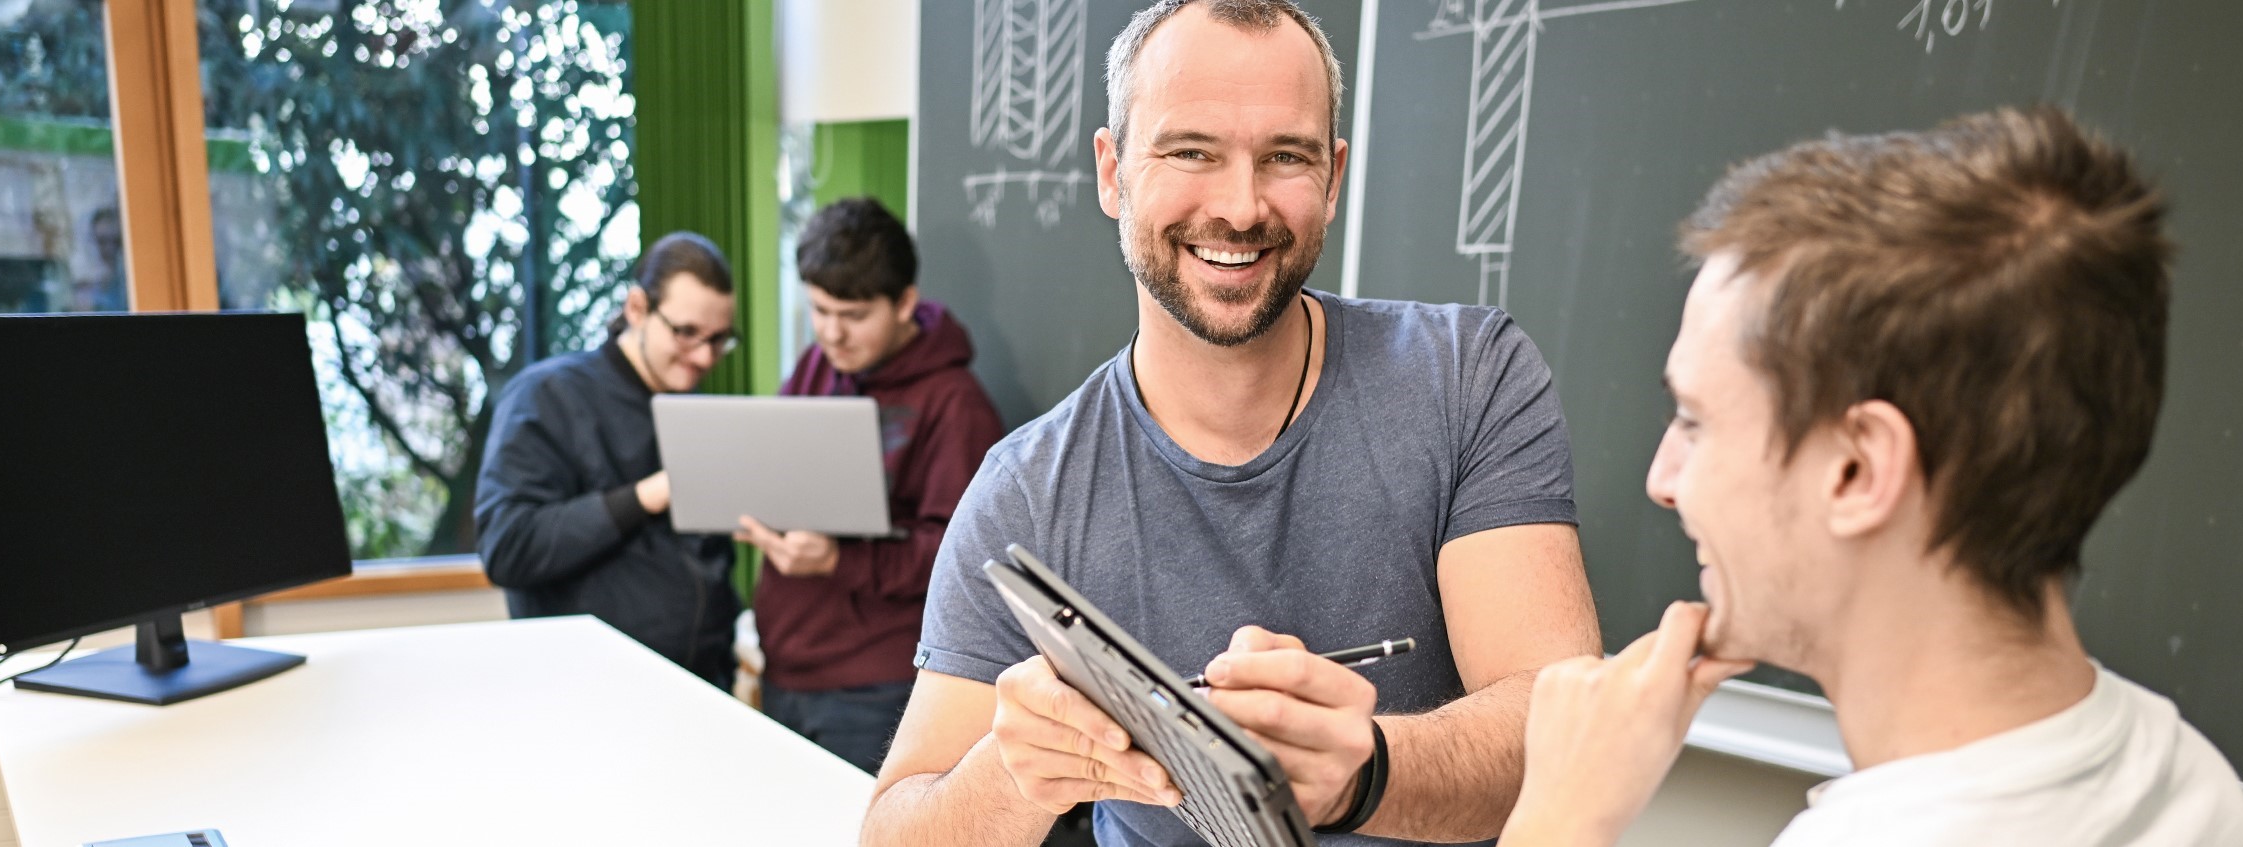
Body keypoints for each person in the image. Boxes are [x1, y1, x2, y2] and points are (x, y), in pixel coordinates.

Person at [863, 2, 1602, 844]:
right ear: (1112, 172)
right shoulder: (1025, 491)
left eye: (1285, 156)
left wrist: (1361, 773)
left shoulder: (1469, 376)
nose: (1242, 207)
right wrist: (1010, 768)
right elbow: (895, 827)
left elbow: (1562, 732)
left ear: (1333, 175)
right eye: (1191, 152)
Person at [1497, 106, 2243, 846]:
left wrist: (1558, 820)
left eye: (1694, 421)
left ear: (1858, 469)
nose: (1663, 480)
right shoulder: (2191, 779)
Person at [733, 195, 1005, 775]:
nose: (832, 334)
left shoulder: (955, 404)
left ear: (904, 303)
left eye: (853, 316)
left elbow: (955, 561)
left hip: (873, 683)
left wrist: (837, 562)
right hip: (786, 661)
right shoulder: (817, 365)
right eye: (820, 310)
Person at [474, 231, 745, 688]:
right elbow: (508, 547)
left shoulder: (696, 409)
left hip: (701, 689)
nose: (703, 356)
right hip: (586, 694)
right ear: (637, 309)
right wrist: (647, 496)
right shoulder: (546, 395)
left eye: (719, 339)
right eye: (686, 333)